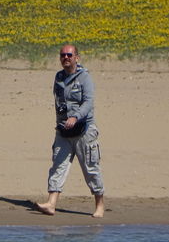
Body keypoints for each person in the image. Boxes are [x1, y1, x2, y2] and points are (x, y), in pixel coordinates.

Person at [36, 44, 105, 218]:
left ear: (76, 57)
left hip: (84, 131)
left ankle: (100, 205)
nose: (65, 58)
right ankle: (51, 203)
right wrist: (61, 123)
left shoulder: (84, 78)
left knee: (91, 169)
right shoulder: (58, 77)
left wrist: (75, 117)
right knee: (58, 166)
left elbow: (88, 103)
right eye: (62, 55)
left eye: (69, 55)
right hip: (63, 133)